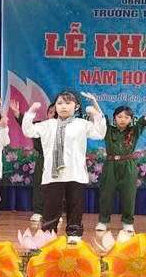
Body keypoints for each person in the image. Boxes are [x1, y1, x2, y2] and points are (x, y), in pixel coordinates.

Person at [21, 90, 106, 244]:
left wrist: (96, 114)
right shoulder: (48, 125)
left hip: (75, 173)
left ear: (76, 106)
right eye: (60, 103)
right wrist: (31, 112)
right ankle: (49, 233)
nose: (63, 106)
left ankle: (74, 233)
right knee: (51, 207)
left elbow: (100, 133)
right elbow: (28, 131)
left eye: (68, 103)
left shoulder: (81, 124)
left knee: (75, 205)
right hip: (53, 175)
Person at [96, 101, 146, 233]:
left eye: (126, 117)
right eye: (119, 116)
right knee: (106, 194)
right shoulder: (108, 129)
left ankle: (128, 223)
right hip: (110, 165)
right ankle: (103, 221)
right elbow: (100, 116)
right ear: (114, 118)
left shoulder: (134, 130)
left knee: (129, 195)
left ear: (131, 119)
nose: (122, 119)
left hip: (128, 165)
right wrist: (94, 101)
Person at [10, 102, 55, 223]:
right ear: (47, 114)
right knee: (39, 184)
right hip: (43, 158)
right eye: (51, 112)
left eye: (56, 113)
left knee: (56, 187)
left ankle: (55, 212)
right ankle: (38, 212)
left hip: (58, 159)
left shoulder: (65, 128)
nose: (53, 115)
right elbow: (27, 126)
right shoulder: (41, 125)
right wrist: (17, 114)